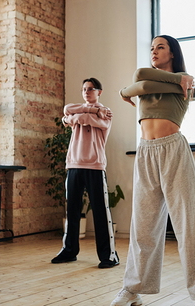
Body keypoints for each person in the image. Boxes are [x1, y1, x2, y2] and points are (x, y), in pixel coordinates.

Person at [111, 35, 195, 306]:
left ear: (172, 53)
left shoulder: (186, 82)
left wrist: (134, 89)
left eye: (160, 47)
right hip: (145, 151)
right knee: (143, 225)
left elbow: (133, 86)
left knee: (189, 223)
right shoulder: (166, 82)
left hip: (173, 150)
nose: (154, 51)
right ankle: (132, 289)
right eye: (151, 48)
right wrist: (133, 88)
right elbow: (140, 79)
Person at [51, 77, 120, 268]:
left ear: (99, 92)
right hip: (73, 165)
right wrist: (89, 111)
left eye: (91, 89)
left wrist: (74, 118)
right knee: (72, 210)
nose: (87, 92)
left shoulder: (106, 113)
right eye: (84, 89)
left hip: (95, 166)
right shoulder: (91, 110)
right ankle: (69, 251)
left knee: (100, 212)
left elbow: (76, 117)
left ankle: (109, 256)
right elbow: (67, 110)